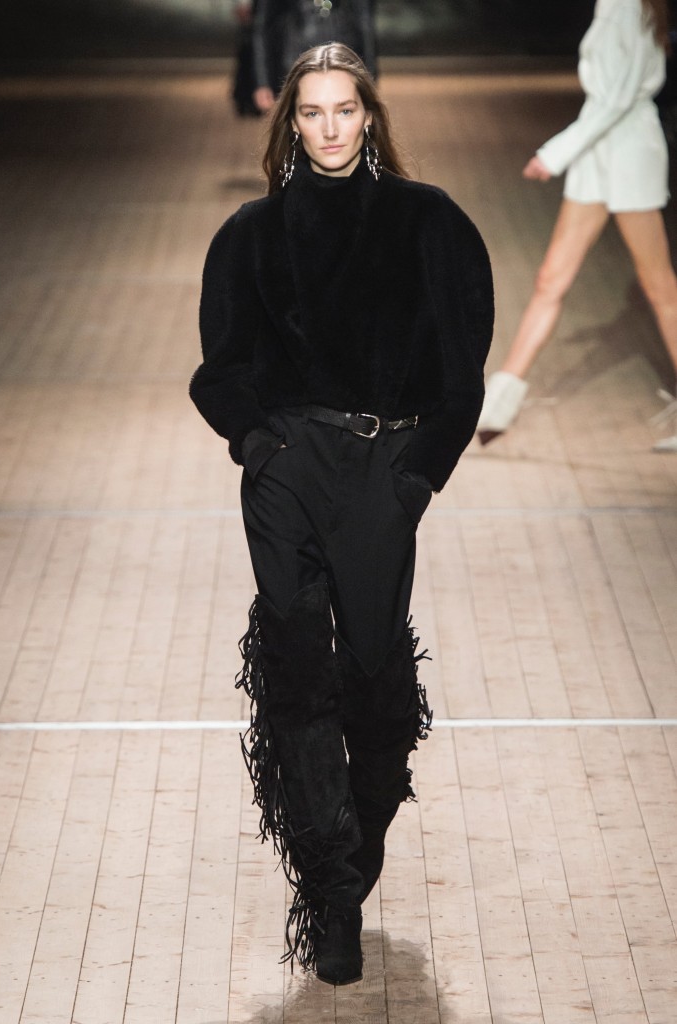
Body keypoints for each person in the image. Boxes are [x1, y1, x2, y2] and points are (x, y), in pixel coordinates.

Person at [190, 43, 493, 985]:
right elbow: (219, 368)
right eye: (312, 111)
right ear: (291, 121)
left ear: (370, 117)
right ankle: (331, 893)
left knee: (374, 680)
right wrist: (256, 445)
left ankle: (351, 851)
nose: (329, 127)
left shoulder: (429, 222)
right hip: (286, 469)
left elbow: (464, 368)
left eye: (344, 110)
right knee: (295, 672)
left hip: (380, 472)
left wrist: (417, 476)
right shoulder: (250, 234)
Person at [476, 0, 677, 452]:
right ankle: (498, 403)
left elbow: (618, 100)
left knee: (661, 287)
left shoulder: (630, 7)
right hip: (597, 154)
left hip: (628, 153)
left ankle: (497, 402)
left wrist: (554, 154)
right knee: (551, 278)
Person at [251, 0, 377, 113]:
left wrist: (370, 77)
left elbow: (364, 22)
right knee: (301, 118)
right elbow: (262, 27)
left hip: (342, 56)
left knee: (342, 116)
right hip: (294, 59)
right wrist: (262, 82)